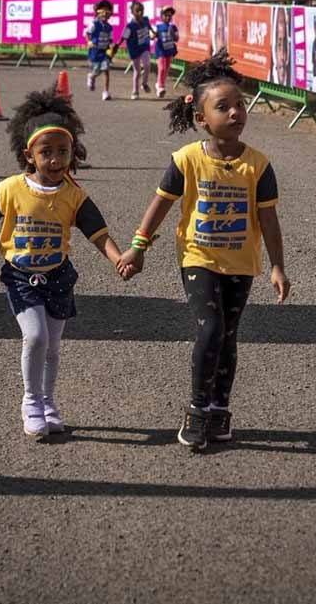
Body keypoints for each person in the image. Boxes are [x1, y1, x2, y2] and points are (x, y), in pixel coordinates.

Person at [119, 53, 290, 451]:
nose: (235, 112)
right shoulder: (186, 160)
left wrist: (278, 267)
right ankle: (196, 411)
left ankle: (219, 410)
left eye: (240, 104)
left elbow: (269, 221)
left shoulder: (259, 166)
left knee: (228, 337)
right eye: (223, 107)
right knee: (210, 329)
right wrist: (138, 247)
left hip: (241, 263)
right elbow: (159, 204)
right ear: (201, 118)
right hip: (198, 259)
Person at [0, 90, 125, 437]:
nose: (56, 160)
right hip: (21, 277)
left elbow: (98, 233)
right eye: (46, 152)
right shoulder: (9, 189)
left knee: (53, 346)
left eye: (63, 152)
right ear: (29, 154)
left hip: (58, 276)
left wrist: (118, 259)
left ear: (73, 153)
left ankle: (49, 402)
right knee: (36, 337)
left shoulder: (74, 195)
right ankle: (30, 402)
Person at [119, 0, 154, 99]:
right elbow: (123, 37)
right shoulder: (130, 26)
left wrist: (153, 33)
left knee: (147, 65)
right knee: (137, 71)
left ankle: (144, 83)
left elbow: (150, 29)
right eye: (137, 11)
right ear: (132, 12)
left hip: (144, 48)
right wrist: (116, 46)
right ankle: (135, 91)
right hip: (134, 50)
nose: (140, 13)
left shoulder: (146, 20)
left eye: (141, 10)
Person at [85, 0, 115, 101]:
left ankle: (105, 92)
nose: (105, 14)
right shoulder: (94, 24)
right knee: (97, 71)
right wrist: (89, 41)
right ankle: (92, 76)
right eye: (102, 11)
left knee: (106, 70)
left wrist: (111, 47)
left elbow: (111, 40)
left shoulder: (109, 27)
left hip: (104, 52)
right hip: (95, 51)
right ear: (97, 12)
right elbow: (87, 33)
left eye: (108, 12)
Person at [153, 6, 179, 99]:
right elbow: (153, 36)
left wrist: (173, 34)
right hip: (160, 51)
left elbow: (176, 39)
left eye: (170, 15)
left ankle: (160, 84)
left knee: (166, 69)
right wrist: (153, 34)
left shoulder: (173, 27)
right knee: (162, 68)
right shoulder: (158, 26)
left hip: (169, 51)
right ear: (161, 16)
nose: (168, 17)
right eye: (166, 15)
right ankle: (160, 87)